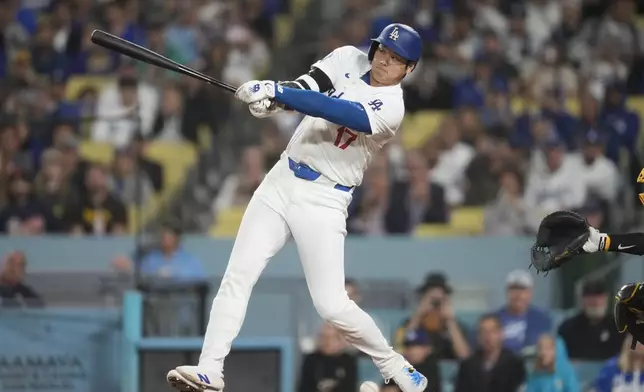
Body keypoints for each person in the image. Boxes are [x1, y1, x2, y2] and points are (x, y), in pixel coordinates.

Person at [166, 24, 428, 392]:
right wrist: (275, 101)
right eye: (384, 50)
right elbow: (309, 87)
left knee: (332, 306)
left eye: (398, 58)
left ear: (409, 69)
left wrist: (277, 91)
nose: (387, 59)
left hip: (325, 198)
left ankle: (396, 366)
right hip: (281, 178)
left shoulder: (392, 107)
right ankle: (210, 370)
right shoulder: (346, 57)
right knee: (237, 276)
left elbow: (336, 109)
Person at [454, 314, 526, 392]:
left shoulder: (514, 364)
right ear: (478, 337)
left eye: (492, 331)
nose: (487, 336)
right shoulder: (468, 366)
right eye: (483, 332)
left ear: (501, 334)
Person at [558, 280, 625, 360]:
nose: (595, 302)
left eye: (599, 297)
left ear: (606, 299)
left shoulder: (619, 327)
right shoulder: (568, 328)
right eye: (590, 298)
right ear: (582, 300)